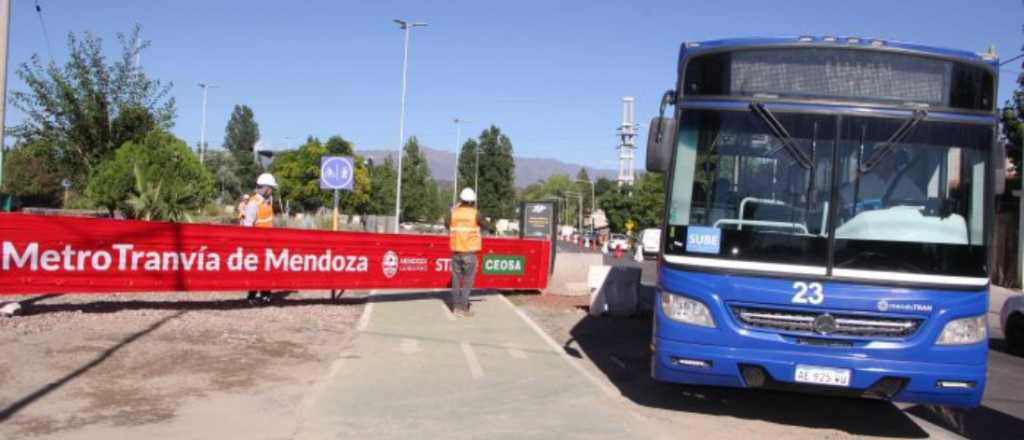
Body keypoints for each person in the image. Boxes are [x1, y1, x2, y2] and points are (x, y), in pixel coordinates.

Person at [446, 188, 490, 318]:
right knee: (467, 282)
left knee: (455, 281)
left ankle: (455, 307)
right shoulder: (475, 214)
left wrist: (455, 209)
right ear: (472, 201)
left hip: (456, 251)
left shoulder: (453, 213)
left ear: (460, 199)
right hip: (470, 253)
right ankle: (463, 308)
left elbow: (446, 224)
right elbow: (487, 225)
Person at [242, 173, 278, 304]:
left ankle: (265, 294)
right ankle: (251, 296)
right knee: (256, 271)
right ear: (266, 188)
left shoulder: (267, 202)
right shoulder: (253, 203)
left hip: (268, 244)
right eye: (271, 188)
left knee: (266, 270)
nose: (272, 191)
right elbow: (248, 226)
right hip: (256, 245)